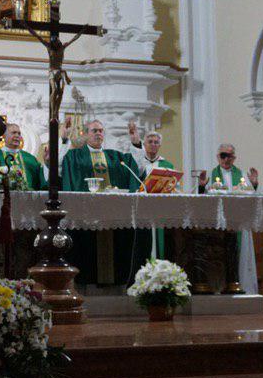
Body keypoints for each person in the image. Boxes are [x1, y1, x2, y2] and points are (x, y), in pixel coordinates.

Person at [60, 119, 144, 286]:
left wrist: (136, 144)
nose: (98, 133)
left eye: (100, 131)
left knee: (115, 247)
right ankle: (85, 283)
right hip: (84, 213)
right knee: (86, 248)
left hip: (113, 212)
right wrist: (64, 140)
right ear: (86, 134)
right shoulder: (74, 156)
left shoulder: (115, 157)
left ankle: (117, 283)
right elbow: (59, 168)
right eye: (94, 131)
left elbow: (138, 169)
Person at [199, 144, 261, 294]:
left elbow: (249, 195)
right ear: (217, 157)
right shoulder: (211, 175)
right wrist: (201, 186)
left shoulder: (241, 175)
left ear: (234, 158)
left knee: (240, 254)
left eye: (229, 156)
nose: (226, 159)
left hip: (238, 221)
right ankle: (217, 287)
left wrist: (253, 184)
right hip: (217, 223)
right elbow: (203, 198)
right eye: (223, 155)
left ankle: (242, 285)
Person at [128, 122, 176, 258]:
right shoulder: (138, 162)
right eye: (150, 141)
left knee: (161, 241)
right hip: (141, 206)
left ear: (160, 146)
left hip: (161, 207)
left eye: (156, 142)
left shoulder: (167, 165)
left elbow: (173, 186)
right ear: (144, 144)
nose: (153, 144)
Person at [0, 123, 45, 191]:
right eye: (13, 133)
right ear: (4, 136)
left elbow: (40, 184)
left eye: (19, 133)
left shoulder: (30, 158)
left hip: (26, 200)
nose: (17, 135)